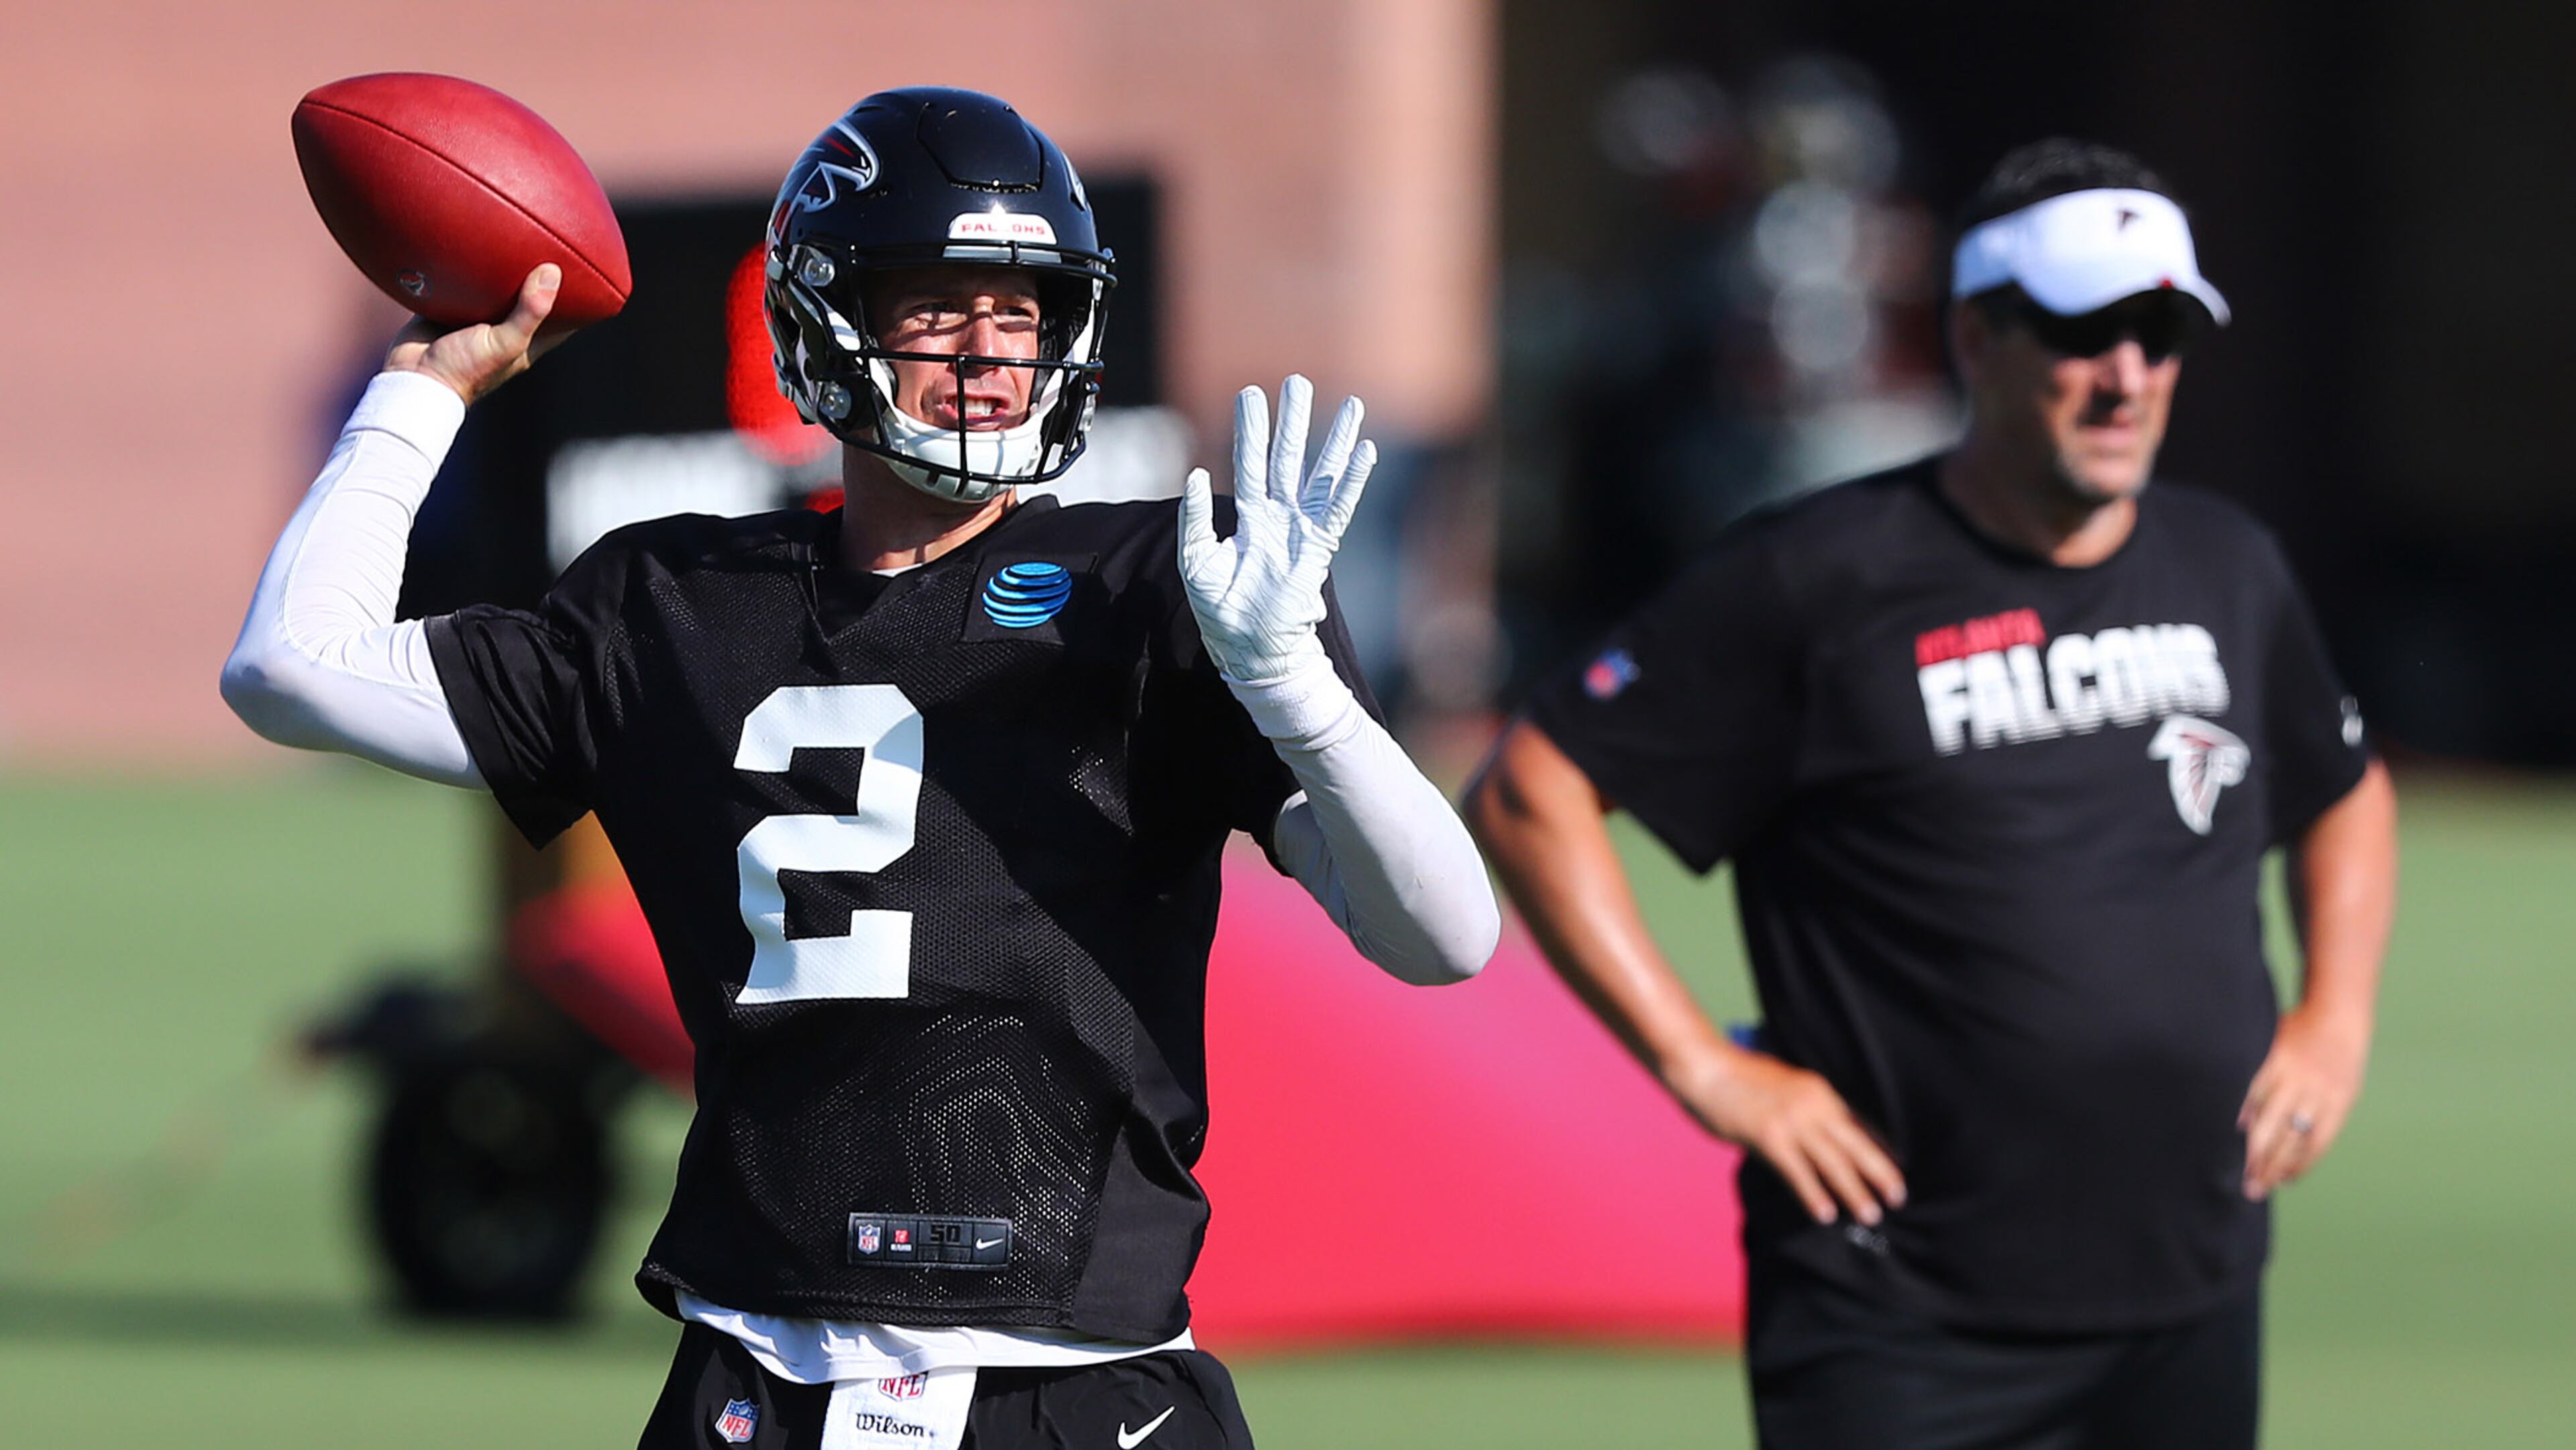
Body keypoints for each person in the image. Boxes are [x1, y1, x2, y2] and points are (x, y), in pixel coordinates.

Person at [223, 87, 1497, 1450]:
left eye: (1022, 311)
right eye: (940, 306)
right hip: (759, 1371)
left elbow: (1443, 937)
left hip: (1079, 1380)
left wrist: (1301, 694)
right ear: (824, 317)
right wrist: (424, 390)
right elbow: (292, 663)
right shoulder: (678, 603)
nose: (990, 350)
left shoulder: (1170, 589)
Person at [1464, 138, 2396, 1449]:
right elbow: (1531, 789)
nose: (2128, 376)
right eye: (2083, 332)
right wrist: (1702, 1069)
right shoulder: (1816, 577)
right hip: (1899, 1316)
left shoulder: (2227, 564)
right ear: (1975, 336)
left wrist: (2335, 1017)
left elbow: (2343, 786)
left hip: (2190, 1287)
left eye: (2161, 334)